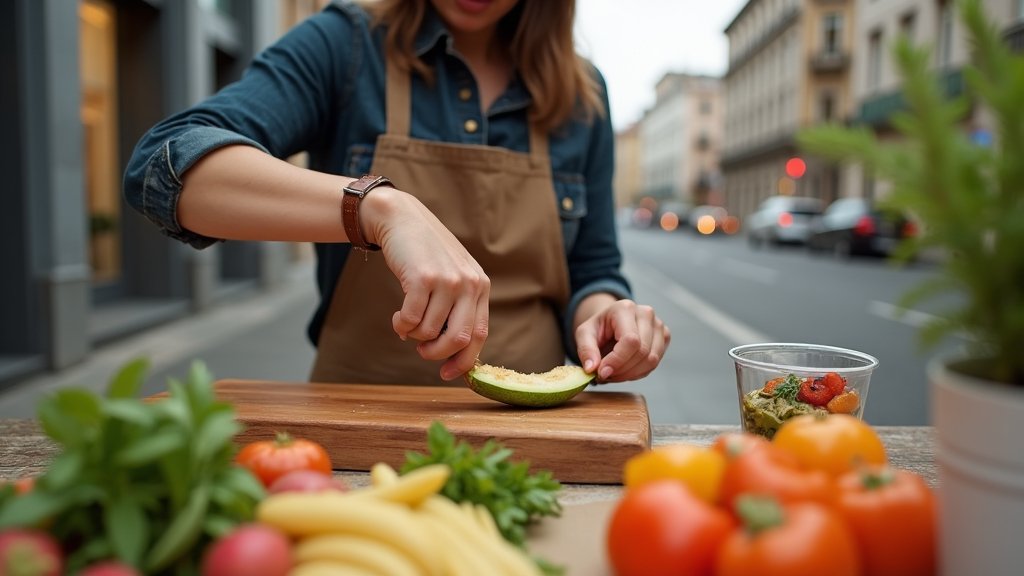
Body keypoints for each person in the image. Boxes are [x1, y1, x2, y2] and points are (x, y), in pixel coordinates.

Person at [123, 0, 670, 386]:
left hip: (531, 429)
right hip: (357, 421)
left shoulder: (584, 93)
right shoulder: (345, 44)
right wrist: (378, 207)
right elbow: (165, 165)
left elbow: (593, 266)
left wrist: (607, 314)